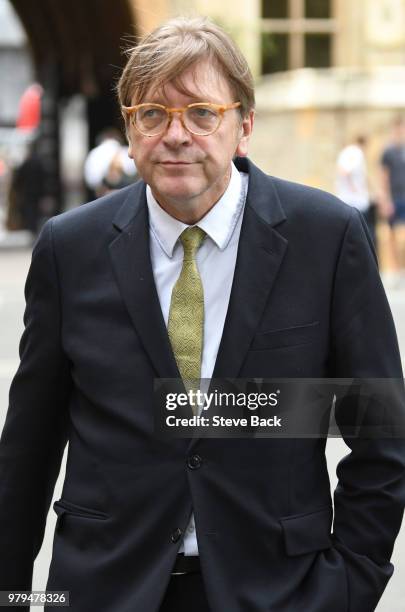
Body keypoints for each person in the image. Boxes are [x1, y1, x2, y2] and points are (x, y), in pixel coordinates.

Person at [0, 16, 404, 612]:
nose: (176, 134)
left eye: (201, 112)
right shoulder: (70, 249)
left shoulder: (326, 238)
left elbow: (381, 431)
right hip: (106, 588)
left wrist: (348, 584)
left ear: (244, 126)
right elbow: (28, 450)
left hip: (279, 590)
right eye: (153, 114)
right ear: (130, 129)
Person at [335, 134, 376, 243]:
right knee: (365, 235)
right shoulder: (356, 153)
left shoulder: (345, 152)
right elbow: (344, 171)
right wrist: (353, 187)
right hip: (356, 201)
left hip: (346, 200)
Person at [380, 116, 405, 274]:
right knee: (393, 236)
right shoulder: (388, 152)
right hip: (394, 198)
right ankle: (396, 270)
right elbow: (383, 177)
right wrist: (386, 200)